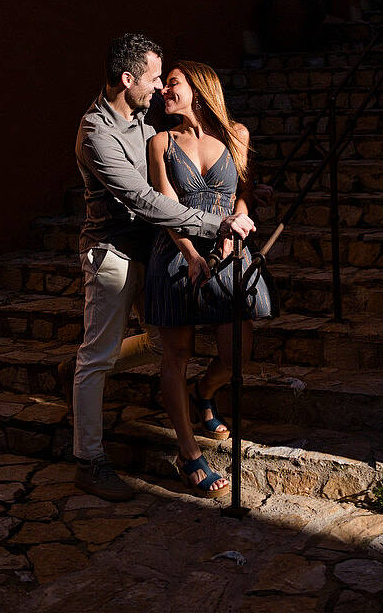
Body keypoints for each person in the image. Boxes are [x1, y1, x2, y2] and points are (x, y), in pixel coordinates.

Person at [73, 35, 256, 502]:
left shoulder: (142, 121)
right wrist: (215, 225)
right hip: (113, 252)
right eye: (154, 78)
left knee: (156, 341)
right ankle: (88, 460)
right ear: (127, 79)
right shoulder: (97, 133)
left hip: (152, 250)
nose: (159, 87)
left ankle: (90, 372)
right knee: (97, 356)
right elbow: (145, 199)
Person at [144, 60, 271, 498]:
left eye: (172, 83)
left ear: (197, 89)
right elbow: (164, 205)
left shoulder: (237, 134)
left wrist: (241, 220)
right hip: (179, 253)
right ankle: (188, 453)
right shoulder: (160, 142)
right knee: (176, 354)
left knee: (238, 353)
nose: (164, 91)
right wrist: (192, 254)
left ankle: (205, 391)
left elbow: (242, 195)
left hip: (231, 252)